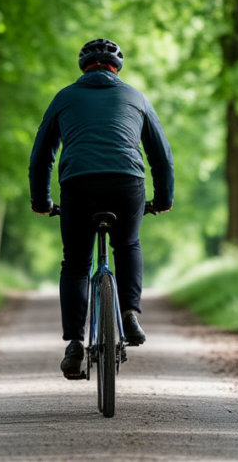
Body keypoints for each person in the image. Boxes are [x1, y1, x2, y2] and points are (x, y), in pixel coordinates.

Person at [28, 38, 174, 379]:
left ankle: (75, 343)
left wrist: (41, 202)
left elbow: (41, 156)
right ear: (116, 67)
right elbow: (161, 156)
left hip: (78, 184)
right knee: (128, 244)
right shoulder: (136, 97)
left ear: (83, 67)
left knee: (77, 264)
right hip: (127, 183)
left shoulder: (64, 98)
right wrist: (163, 199)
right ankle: (129, 313)